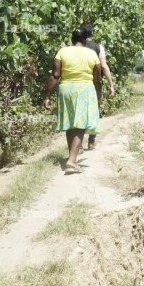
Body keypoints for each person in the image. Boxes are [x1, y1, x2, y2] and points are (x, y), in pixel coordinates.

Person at [44, 27, 101, 174]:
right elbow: (97, 79)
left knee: (70, 122)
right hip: (84, 90)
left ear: (72, 39)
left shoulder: (62, 52)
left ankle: (72, 157)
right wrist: (99, 95)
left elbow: (55, 75)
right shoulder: (91, 53)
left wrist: (47, 96)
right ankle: (72, 161)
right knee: (80, 124)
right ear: (85, 40)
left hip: (66, 89)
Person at [79, 21, 115, 150]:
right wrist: (111, 85)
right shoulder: (98, 47)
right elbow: (104, 67)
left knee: (80, 112)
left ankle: (79, 144)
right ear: (92, 33)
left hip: (78, 83)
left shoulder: (74, 47)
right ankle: (92, 141)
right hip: (94, 84)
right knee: (94, 111)